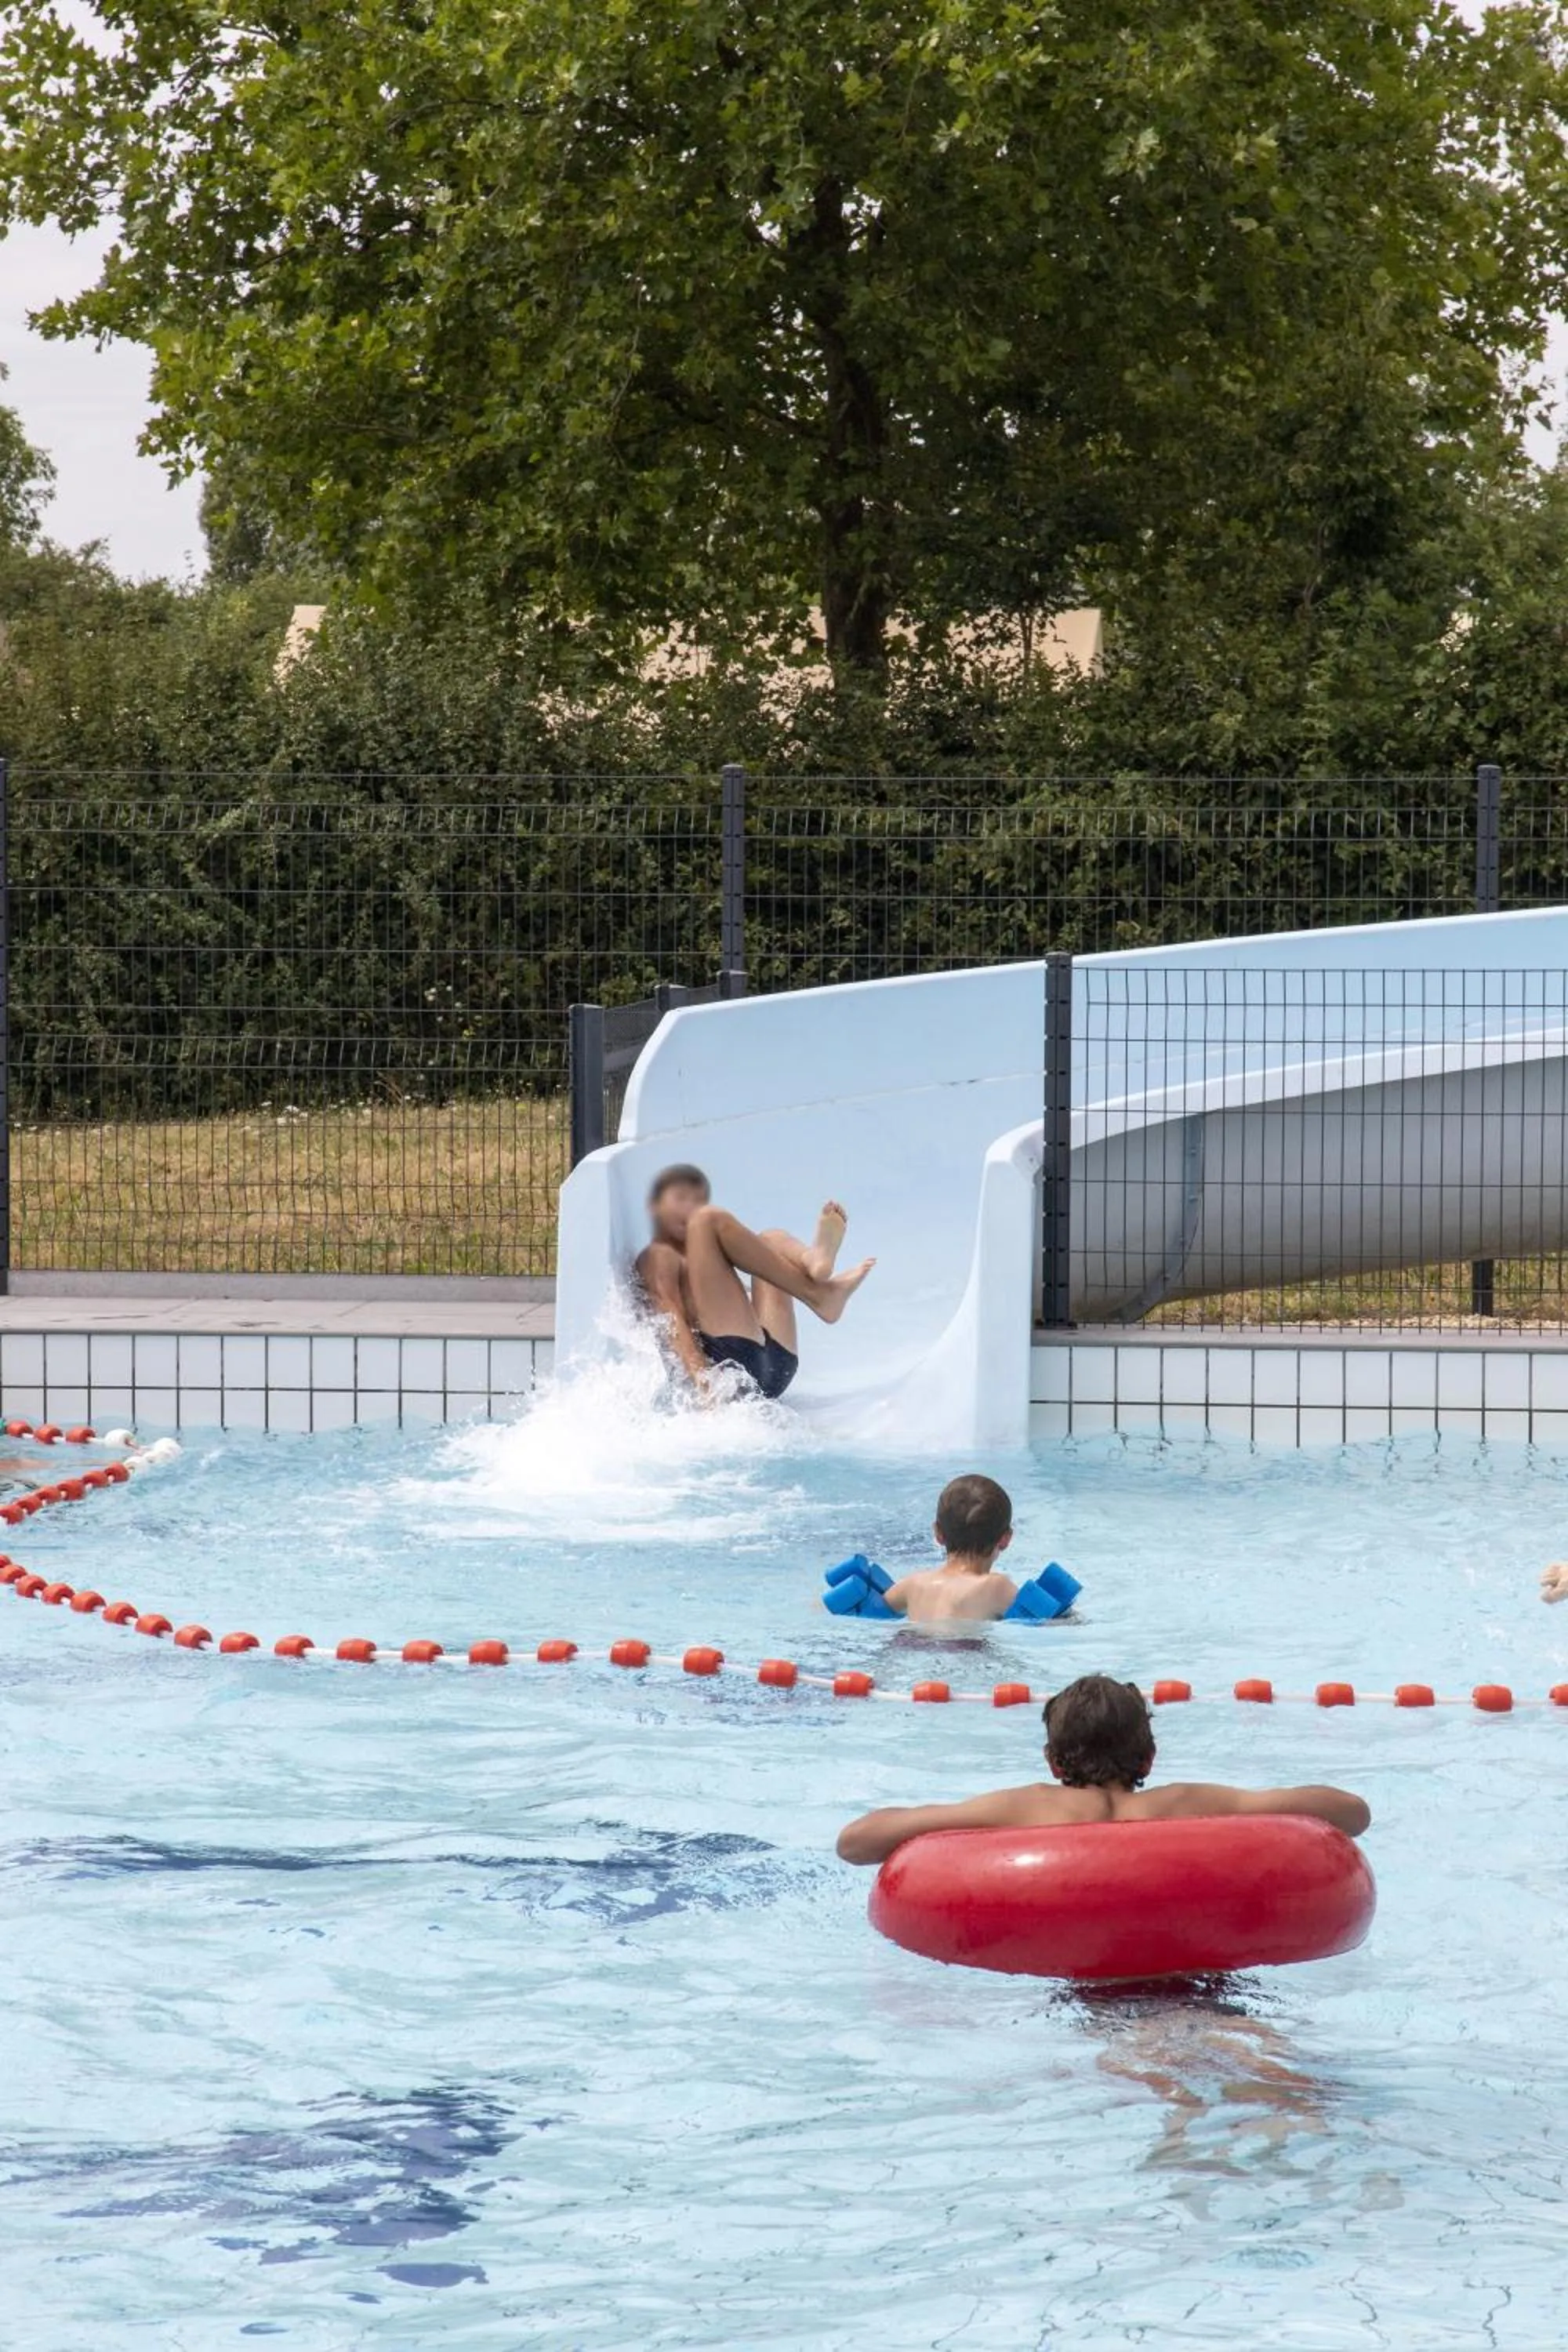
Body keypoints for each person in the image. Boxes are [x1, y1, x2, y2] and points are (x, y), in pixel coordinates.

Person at [836, 1672, 1371, 1864]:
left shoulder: (1027, 1807)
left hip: (1094, 1981)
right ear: (1150, 1758)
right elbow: (1352, 1814)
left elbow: (856, 1842)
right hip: (1204, 1965)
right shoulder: (1188, 1804)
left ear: (1052, 1761)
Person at [634, 1163, 874, 1401]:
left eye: (698, 1201)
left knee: (771, 1238)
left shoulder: (704, 1262)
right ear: (656, 1207)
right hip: (728, 1370)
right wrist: (704, 1385)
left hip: (771, 1362)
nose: (690, 1209)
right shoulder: (657, 1255)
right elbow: (670, 1318)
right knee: (709, 1219)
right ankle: (818, 1295)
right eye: (680, 1199)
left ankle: (813, 1262)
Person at [878, 1473, 1020, 1624]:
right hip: (962, 1646)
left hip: (910, 1643)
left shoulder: (912, 1584)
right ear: (1005, 1539)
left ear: (938, 1533)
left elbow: (876, 1608)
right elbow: (1041, 1619)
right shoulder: (996, 1587)